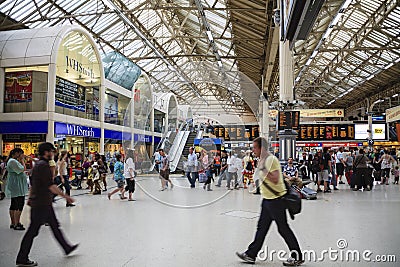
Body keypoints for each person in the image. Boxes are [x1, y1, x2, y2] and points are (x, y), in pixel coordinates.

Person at [236, 137, 303, 266]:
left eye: (255, 147)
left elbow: (275, 178)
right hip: (268, 200)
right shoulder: (263, 160)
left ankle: (297, 256)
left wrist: (262, 169)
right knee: (262, 228)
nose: (253, 150)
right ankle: (251, 254)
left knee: (283, 229)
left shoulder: (271, 160)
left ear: (262, 148)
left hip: (276, 201)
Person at [16, 142, 78, 266]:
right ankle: (22, 258)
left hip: (42, 202)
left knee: (54, 226)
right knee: (33, 231)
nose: (53, 154)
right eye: (52, 151)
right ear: (46, 152)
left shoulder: (38, 164)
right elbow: (50, 185)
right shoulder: (43, 166)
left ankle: (66, 247)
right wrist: (66, 196)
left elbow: (34, 183)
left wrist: (30, 197)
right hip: (41, 203)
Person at [5, 148, 28, 230]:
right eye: (21, 154)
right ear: (17, 153)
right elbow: (22, 169)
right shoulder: (13, 161)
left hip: (15, 184)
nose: (22, 155)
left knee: (14, 204)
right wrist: (22, 161)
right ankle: (17, 223)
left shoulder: (11, 161)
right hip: (17, 186)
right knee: (19, 204)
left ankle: (13, 222)